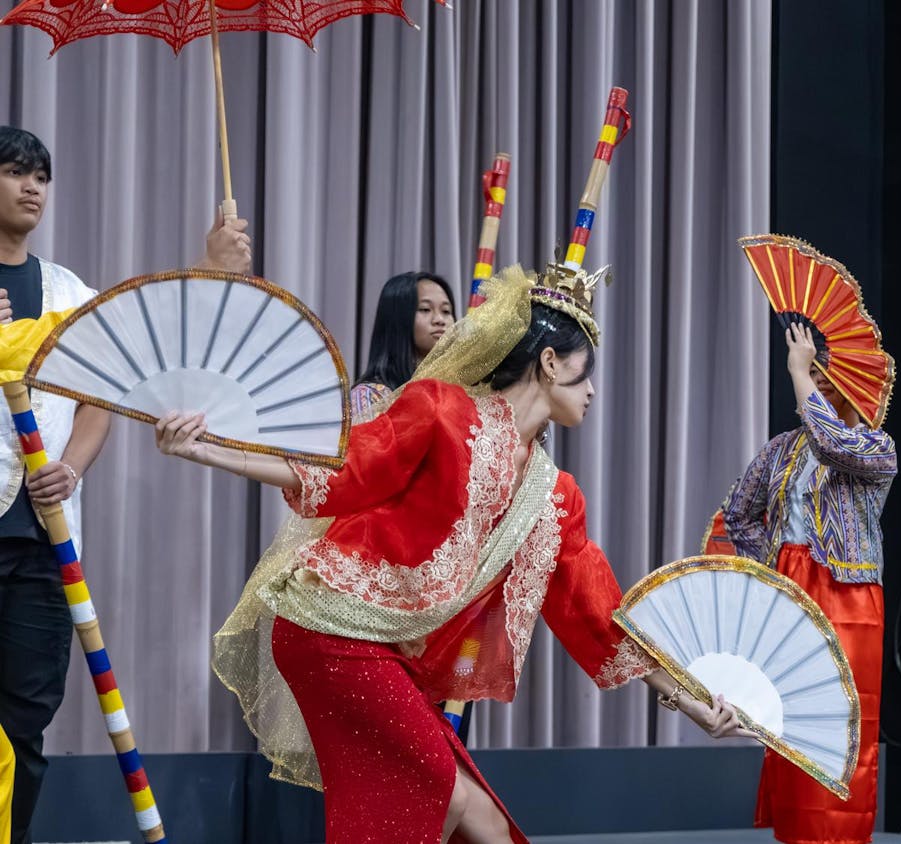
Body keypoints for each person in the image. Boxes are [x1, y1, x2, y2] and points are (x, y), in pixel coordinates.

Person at [156, 264, 744, 843]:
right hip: (327, 633)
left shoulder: (554, 496)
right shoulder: (440, 409)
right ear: (548, 363)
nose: (592, 391)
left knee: (480, 819)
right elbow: (342, 468)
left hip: (390, 653)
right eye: (585, 373)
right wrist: (207, 449)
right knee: (442, 792)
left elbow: (598, 615)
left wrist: (691, 701)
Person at [0, 125, 249, 844]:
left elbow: (105, 388)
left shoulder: (68, 293)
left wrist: (73, 464)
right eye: (16, 171)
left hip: (45, 546)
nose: (32, 187)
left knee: (25, 716)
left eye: (41, 175)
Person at [723, 322, 897, 844]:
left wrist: (798, 372)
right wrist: (772, 564)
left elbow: (829, 443)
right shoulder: (780, 450)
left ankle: (840, 835)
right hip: (792, 591)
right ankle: (797, 833)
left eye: (825, 372)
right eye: (813, 371)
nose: (819, 381)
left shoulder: (875, 445)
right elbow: (739, 514)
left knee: (842, 722)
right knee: (790, 719)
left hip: (848, 597)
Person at [351, 271, 455, 420]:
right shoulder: (371, 397)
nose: (440, 320)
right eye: (425, 309)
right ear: (397, 319)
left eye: (446, 311)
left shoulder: (455, 392)